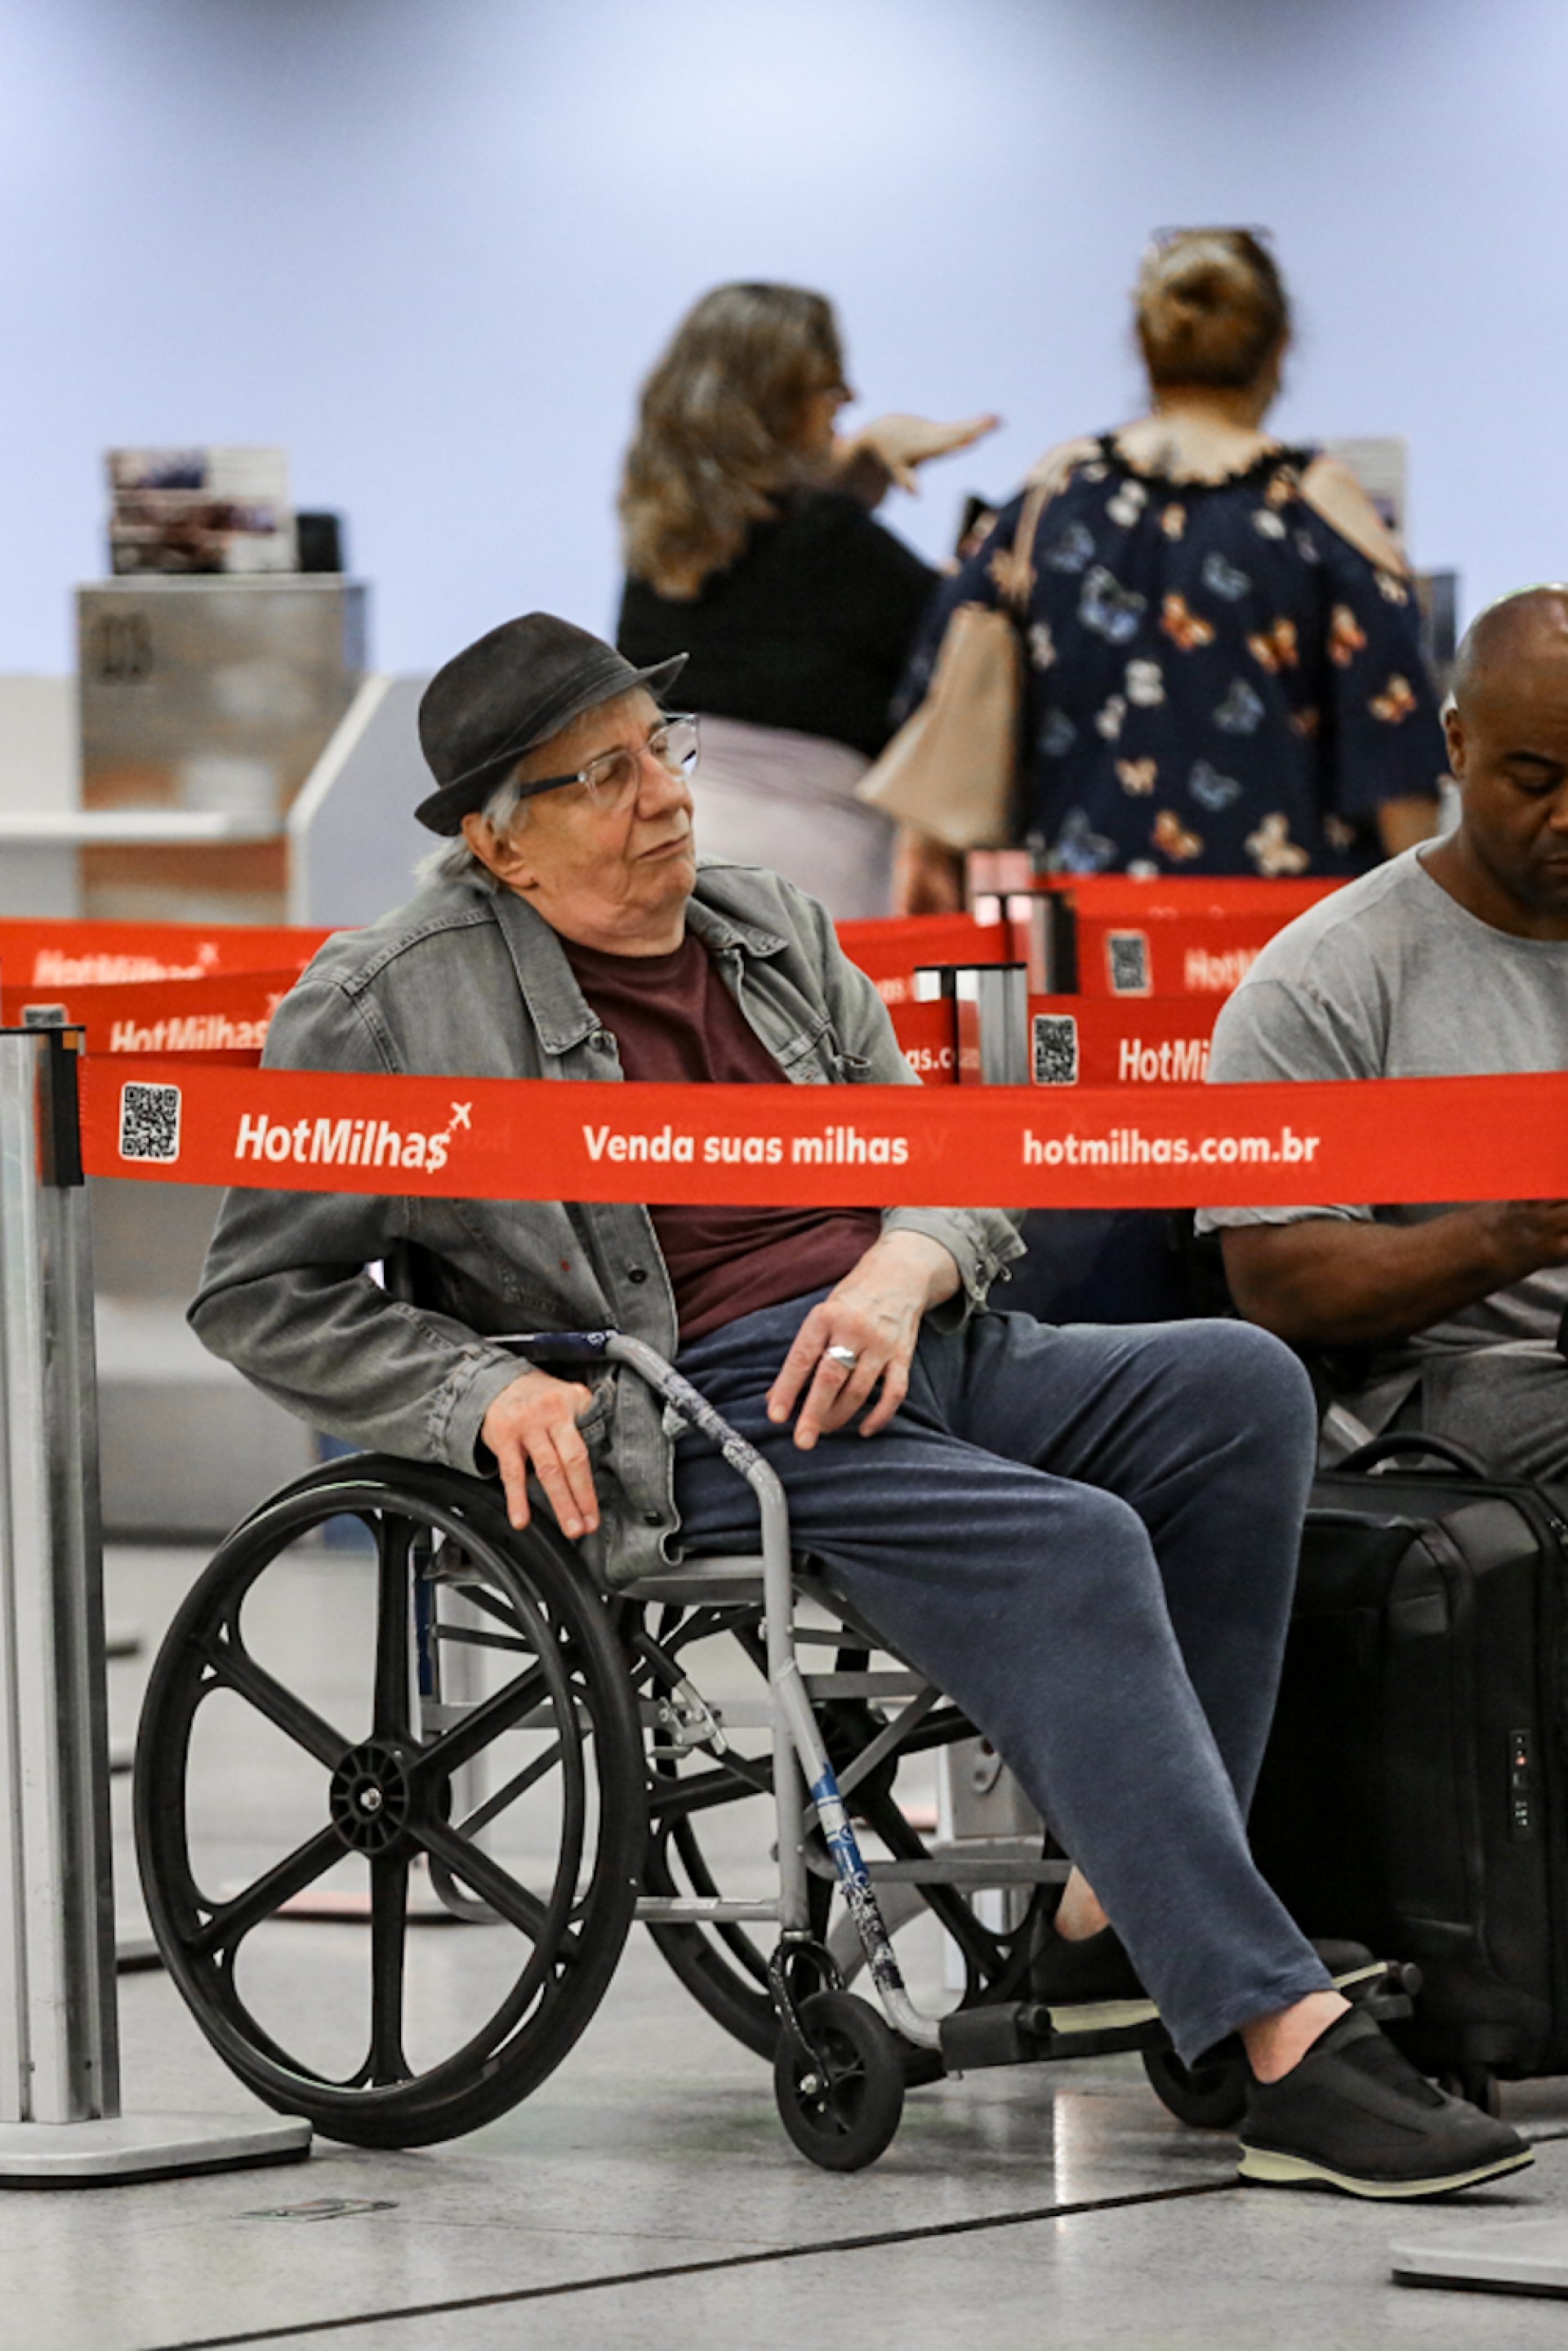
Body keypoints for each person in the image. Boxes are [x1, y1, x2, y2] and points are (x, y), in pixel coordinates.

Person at [190, 610, 1530, 2198]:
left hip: (901, 1339)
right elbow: (258, 1289)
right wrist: (473, 1383)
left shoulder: (769, 925)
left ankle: (1110, 1918)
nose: (666, 794)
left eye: (661, 750)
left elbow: (945, 1174)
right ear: (500, 835)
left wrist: (908, 1260)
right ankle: (1273, 2027)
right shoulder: (388, 1005)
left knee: (1238, 1386)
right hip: (693, 1401)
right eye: (604, 774)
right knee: (1074, 1541)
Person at [893, 229, 1445, 912]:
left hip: (1082, 926)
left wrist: (925, 858)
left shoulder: (1049, 499)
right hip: (1283, 936)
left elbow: (941, 693)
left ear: (1145, 349)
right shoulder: (1321, 512)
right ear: (1279, 348)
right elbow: (1396, 757)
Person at [1200, 584, 1568, 1479]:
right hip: (1437, 1394)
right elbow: (1275, 1283)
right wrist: (1516, 1232)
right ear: (1456, 745)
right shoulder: (1328, 973)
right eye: (1534, 780)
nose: (1567, 818)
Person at [616, 281, 997, 918]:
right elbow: (964, 650)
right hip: (818, 878)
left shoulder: (657, 549)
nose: (849, 398)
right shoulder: (834, 545)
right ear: (774, 404)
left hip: (666, 857)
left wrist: (855, 469)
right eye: (828, 384)